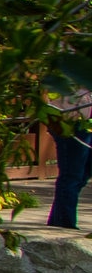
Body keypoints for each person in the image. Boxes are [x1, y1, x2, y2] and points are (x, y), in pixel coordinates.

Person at [53, 86, 91, 230]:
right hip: (70, 121)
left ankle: (58, 218)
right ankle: (64, 223)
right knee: (71, 175)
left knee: (84, 173)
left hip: (87, 121)